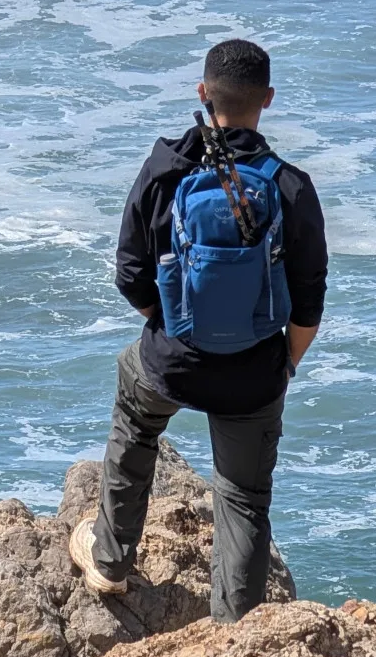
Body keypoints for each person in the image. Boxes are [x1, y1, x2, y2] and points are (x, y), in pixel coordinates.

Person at [70, 38, 329, 623]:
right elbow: (309, 299)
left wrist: (169, 329)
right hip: (254, 373)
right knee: (242, 501)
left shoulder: (166, 168)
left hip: (173, 359)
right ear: (268, 99)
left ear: (202, 94)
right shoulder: (289, 185)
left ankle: (110, 559)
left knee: (136, 415)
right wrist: (283, 364)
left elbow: (131, 273)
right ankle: (235, 641)